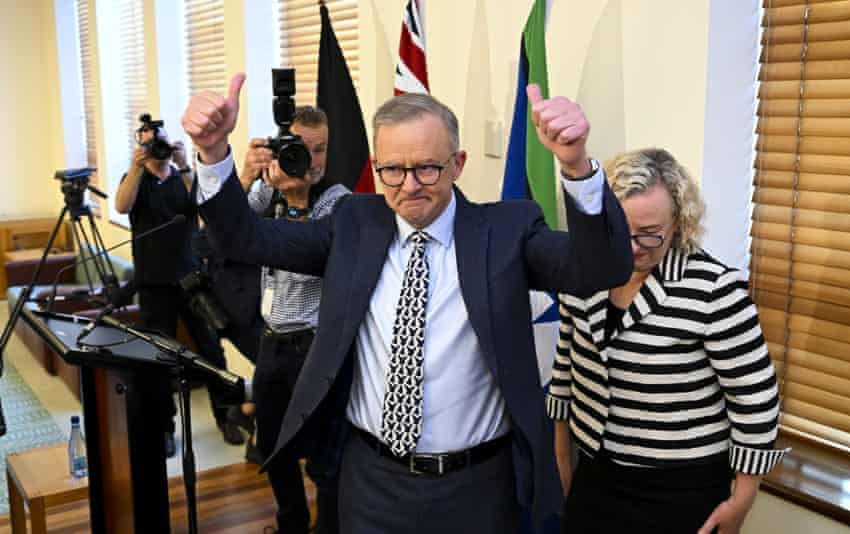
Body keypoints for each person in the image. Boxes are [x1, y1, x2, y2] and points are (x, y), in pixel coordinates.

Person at [182, 73, 633, 533]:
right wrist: (214, 154)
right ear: (377, 165)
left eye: (427, 168)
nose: (409, 185)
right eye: (392, 170)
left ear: (458, 163)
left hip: (478, 489)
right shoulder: (353, 224)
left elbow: (601, 269)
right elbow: (245, 238)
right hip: (371, 481)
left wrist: (577, 166)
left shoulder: (507, 231)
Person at [547, 148, 787, 534]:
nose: (633, 248)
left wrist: (741, 501)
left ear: (678, 223)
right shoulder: (584, 270)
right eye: (619, 232)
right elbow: (566, 367)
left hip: (680, 491)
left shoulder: (714, 289)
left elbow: (756, 400)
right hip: (595, 480)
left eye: (650, 234)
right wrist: (559, 457)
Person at [238, 106, 349, 534]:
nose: (313, 160)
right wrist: (247, 175)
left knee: (323, 450)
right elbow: (228, 235)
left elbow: (307, 258)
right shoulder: (271, 190)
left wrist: (299, 201)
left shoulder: (337, 201)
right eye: (302, 149)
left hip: (313, 345)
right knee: (270, 444)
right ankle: (291, 522)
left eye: (321, 149)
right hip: (272, 342)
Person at [115, 120, 244, 456]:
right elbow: (121, 206)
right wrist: (135, 167)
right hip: (153, 285)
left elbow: (201, 206)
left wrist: (186, 164)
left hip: (191, 281)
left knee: (212, 352)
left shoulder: (181, 177)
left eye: (159, 143)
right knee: (158, 360)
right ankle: (165, 428)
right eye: (147, 145)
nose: (155, 150)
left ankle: (227, 416)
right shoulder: (137, 181)